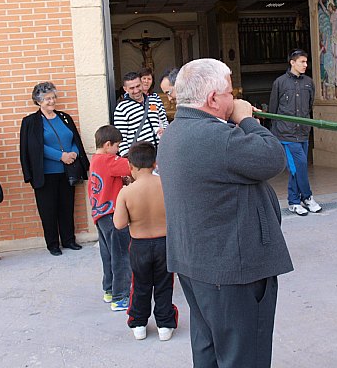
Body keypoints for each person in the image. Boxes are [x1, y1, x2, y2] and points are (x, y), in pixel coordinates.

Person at [158, 58, 293, 368]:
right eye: (230, 92)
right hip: (231, 270)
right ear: (213, 99)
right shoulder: (215, 137)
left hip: (198, 263)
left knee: (208, 350)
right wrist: (247, 121)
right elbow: (273, 159)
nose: (235, 99)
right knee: (243, 357)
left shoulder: (178, 131)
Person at [114, 142, 178, 342]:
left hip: (139, 245)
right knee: (164, 284)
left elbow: (119, 224)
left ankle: (139, 323)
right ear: (155, 163)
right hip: (164, 244)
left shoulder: (126, 192)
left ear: (130, 166)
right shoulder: (166, 186)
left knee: (140, 285)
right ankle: (165, 325)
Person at [19, 82, 89, 256]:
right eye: (47, 98)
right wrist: (61, 156)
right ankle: (53, 244)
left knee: (67, 207)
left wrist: (73, 152)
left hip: (67, 172)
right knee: (48, 210)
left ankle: (69, 240)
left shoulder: (64, 117)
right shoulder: (30, 122)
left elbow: (74, 138)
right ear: (38, 101)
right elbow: (34, 147)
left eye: (53, 97)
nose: (51, 101)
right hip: (45, 174)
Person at [268, 49, 322, 216]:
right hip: (286, 133)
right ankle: (307, 197)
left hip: (303, 132)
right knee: (299, 166)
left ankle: (293, 202)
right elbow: (273, 108)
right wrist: (276, 132)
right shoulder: (280, 82)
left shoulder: (308, 83)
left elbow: (309, 105)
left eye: (306, 62)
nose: (305, 65)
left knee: (296, 169)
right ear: (292, 62)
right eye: (302, 62)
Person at [88, 125, 133, 312]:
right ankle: (120, 296)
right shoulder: (109, 160)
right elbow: (132, 166)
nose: (119, 150)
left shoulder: (96, 159)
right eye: (117, 146)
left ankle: (109, 289)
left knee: (107, 254)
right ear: (108, 145)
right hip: (114, 215)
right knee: (122, 256)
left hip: (100, 215)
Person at [114, 72, 167, 156]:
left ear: (141, 84)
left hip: (161, 152)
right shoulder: (121, 108)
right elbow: (121, 138)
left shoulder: (154, 100)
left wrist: (164, 129)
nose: (136, 90)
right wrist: (127, 158)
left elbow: (164, 120)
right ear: (125, 89)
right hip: (140, 158)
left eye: (138, 86)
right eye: (132, 88)